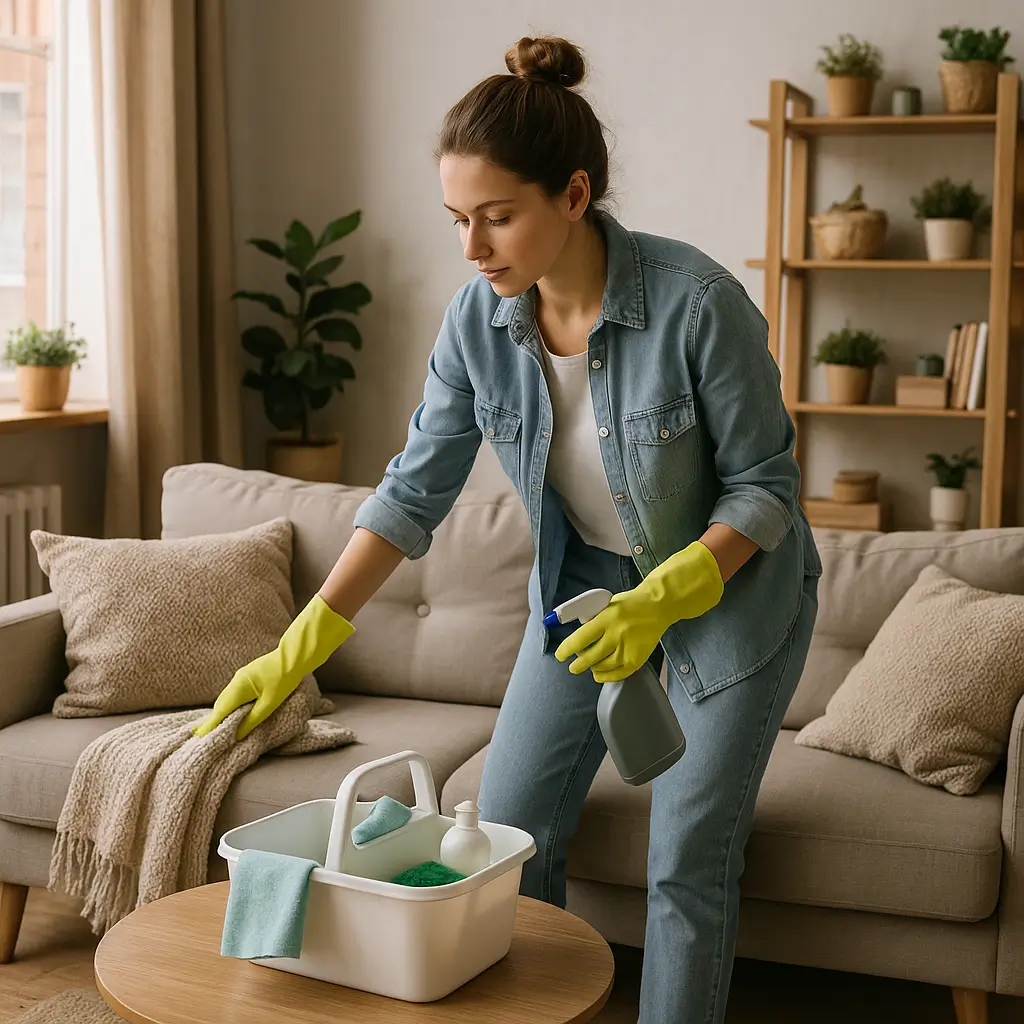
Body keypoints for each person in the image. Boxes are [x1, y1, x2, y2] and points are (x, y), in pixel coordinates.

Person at [195, 35, 822, 1023]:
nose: (473, 247)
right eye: (457, 219)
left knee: (686, 862)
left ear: (573, 196)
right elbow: (412, 493)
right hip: (583, 595)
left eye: (496, 217)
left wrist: (665, 598)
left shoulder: (698, 304)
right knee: (510, 832)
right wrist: (300, 641)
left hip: (728, 597)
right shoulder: (474, 326)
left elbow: (765, 487)